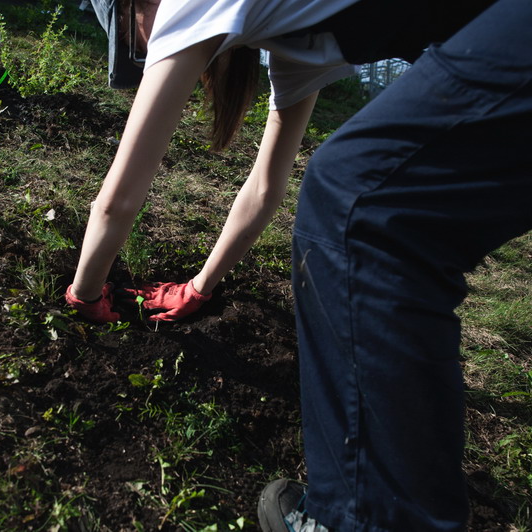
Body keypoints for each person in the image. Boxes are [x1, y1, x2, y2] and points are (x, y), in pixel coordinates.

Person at [258, 0, 532, 530]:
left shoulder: (197, 14)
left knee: (361, 202)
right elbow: (264, 186)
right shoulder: (287, 49)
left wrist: (88, 293)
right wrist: (202, 285)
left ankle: (366, 520)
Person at [66, 0, 365, 322]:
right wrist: (197, 290)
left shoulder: (191, 5)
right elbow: (264, 189)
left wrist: (84, 295)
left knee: (352, 181)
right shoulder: (302, 27)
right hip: (396, 33)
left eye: (126, 33)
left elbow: (118, 200)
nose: (144, 52)